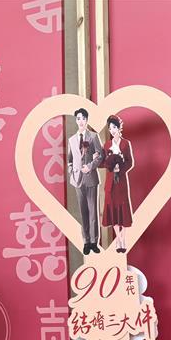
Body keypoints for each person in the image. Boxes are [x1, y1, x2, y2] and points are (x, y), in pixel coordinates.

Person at [67, 108, 103, 254]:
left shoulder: (93, 136)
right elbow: (70, 160)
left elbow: (100, 156)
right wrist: (72, 171)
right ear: (76, 120)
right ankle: (86, 241)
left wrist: (90, 166)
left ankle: (94, 242)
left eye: (83, 118)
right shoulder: (71, 140)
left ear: (87, 120)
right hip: (78, 180)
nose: (81, 121)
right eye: (78, 118)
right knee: (83, 212)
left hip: (91, 179)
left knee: (93, 212)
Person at [100, 114, 135, 254]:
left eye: (114, 127)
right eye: (110, 128)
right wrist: (108, 165)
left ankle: (123, 239)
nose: (112, 130)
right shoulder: (107, 145)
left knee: (123, 210)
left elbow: (130, 162)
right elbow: (103, 162)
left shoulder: (125, 144)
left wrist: (120, 168)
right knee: (112, 211)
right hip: (110, 183)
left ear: (119, 127)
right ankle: (119, 239)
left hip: (121, 182)